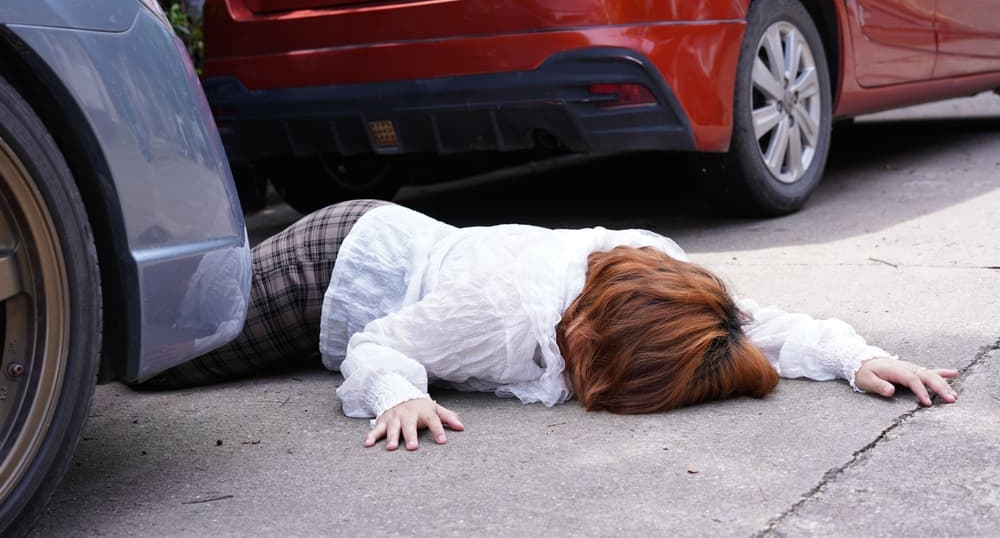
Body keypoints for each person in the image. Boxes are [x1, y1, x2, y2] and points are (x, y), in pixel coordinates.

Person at [141, 199, 959, 451]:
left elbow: (756, 329)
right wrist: (399, 395)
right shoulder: (503, 315)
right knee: (153, 353)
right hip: (338, 269)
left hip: (408, 249)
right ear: (596, 351)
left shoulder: (651, 268)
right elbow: (380, 341)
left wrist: (862, 359)